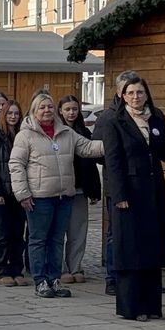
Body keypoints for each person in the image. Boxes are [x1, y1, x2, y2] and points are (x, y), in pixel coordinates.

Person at [94, 71, 165, 321]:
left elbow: (164, 153)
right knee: (130, 247)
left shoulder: (156, 117)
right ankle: (132, 307)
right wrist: (118, 194)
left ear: (147, 94)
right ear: (122, 95)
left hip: (153, 191)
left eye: (140, 92)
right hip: (128, 192)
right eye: (131, 93)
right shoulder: (114, 119)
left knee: (151, 246)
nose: (136, 97)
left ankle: (152, 305)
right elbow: (112, 160)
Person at [9, 93, 103, 299]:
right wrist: (22, 193)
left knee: (57, 240)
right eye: (42, 107)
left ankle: (54, 279)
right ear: (34, 110)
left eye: (50, 106)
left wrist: (113, 143)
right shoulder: (25, 135)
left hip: (64, 197)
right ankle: (40, 281)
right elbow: (16, 165)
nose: (47, 110)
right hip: (38, 198)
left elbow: (88, 147)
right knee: (38, 240)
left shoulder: (66, 133)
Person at [0, 99, 28, 286]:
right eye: (10, 113)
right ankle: (2, 270)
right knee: (3, 233)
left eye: (16, 114)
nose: (13, 117)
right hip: (2, 193)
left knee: (18, 233)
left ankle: (17, 269)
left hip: (19, 192)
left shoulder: (23, 135)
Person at [57, 95, 101, 284]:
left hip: (80, 188)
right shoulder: (54, 132)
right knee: (58, 231)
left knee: (78, 231)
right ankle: (58, 268)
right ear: (61, 111)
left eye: (74, 109)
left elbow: (90, 164)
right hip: (58, 189)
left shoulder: (83, 131)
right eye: (67, 109)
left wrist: (94, 190)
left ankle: (75, 267)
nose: (71, 112)